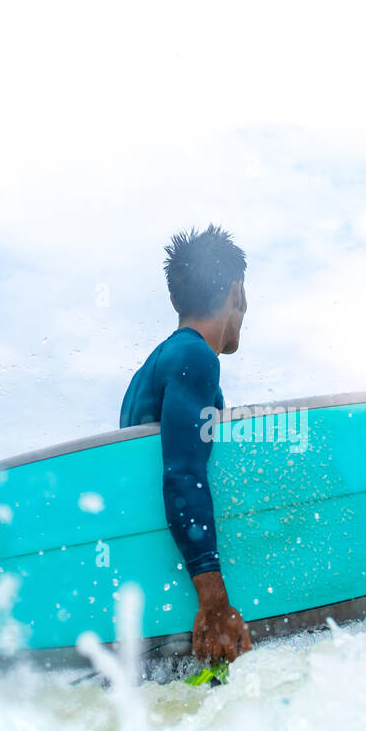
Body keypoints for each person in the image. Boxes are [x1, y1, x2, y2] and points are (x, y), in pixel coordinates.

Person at [120, 225, 253, 665]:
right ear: (238, 293)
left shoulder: (149, 370)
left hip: (152, 602)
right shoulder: (194, 357)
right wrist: (214, 600)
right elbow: (182, 473)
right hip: (193, 601)